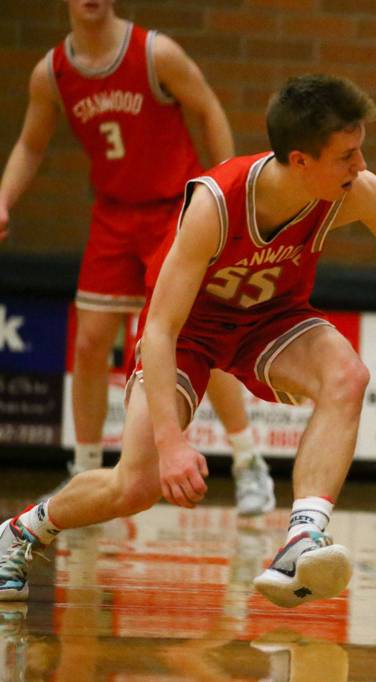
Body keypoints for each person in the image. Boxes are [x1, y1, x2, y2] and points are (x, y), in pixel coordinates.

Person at [0, 74, 376, 608]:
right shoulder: (215, 203)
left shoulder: (352, 192)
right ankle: (22, 531)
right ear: (301, 159)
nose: (360, 167)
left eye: (360, 150)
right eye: (346, 155)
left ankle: (303, 536)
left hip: (270, 319)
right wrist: (173, 440)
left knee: (348, 375)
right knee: (133, 486)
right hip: (188, 332)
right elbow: (158, 328)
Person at [0, 0, 274, 515]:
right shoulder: (51, 73)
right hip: (113, 215)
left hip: (177, 208)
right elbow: (31, 145)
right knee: (89, 341)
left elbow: (208, 107)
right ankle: (82, 474)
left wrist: (225, 191)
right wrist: (4, 198)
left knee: (192, 336)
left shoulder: (155, 53)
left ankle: (247, 460)